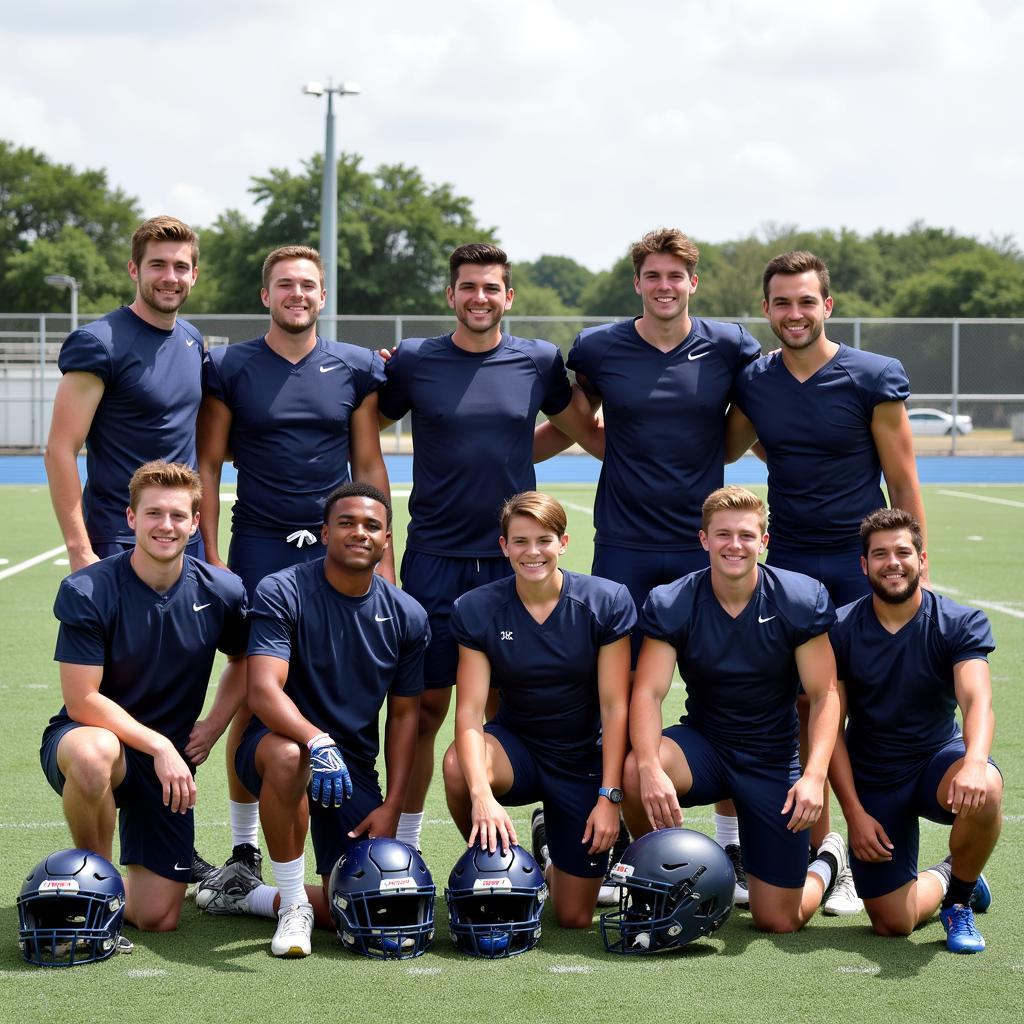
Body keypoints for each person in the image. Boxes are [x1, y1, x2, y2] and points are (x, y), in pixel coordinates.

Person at [534, 228, 763, 901]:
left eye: (676, 276)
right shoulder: (602, 348)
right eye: (653, 276)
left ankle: (732, 845)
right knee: (615, 692)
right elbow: (581, 420)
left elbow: (739, 428)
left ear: (694, 282)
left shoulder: (729, 345)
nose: (665, 286)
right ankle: (613, 837)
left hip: (703, 545)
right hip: (627, 545)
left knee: (728, 685)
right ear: (637, 282)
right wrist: (509, 454)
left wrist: (700, 458)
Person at [376, 242, 603, 854]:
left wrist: (513, 453)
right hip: (433, 559)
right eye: (468, 287)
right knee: (424, 708)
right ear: (451, 295)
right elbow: (360, 419)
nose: (480, 298)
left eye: (491, 288)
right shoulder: (415, 361)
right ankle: (406, 840)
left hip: (513, 564)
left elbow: (585, 429)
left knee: (504, 707)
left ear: (509, 296)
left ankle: (507, 834)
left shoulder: (537, 360)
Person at [725, 249, 929, 914]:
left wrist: (914, 565)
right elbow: (738, 445)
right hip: (786, 566)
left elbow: (901, 479)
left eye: (805, 301)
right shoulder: (755, 380)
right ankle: (821, 852)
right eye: (781, 302)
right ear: (766, 310)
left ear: (828, 306)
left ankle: (875, 854)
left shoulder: (872, 375)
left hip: (857, 564)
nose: (793, 313)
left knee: (861, 709)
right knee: (791, 708)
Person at [196, 244, 391, 879]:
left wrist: (385, 556)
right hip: (260, 538)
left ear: (323, 296)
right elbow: (207, 464)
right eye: (285, 285)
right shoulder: (231, 367)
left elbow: (367, 465)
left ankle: (358, 805)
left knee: (345, 671)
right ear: (266, 296)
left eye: (308, 285)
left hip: (337, 541)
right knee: (256, 684)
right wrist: (212, 553)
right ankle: (245, 848)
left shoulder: (356, 367)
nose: (297, 294)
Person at [195, 483, 427, 959]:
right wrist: (315, 738)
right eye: (346, 523)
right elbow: (262, 690)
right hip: (276, 745)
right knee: (289, 755)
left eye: (371, 526)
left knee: (370, 908)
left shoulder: (407, 614)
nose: (358, 533)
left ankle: (249, 896)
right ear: (324, 533)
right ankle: (293, 904)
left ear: (387, 540)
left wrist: (394, 806)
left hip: (353, 769)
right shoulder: (282, 590)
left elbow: (404, 718)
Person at [622, 486, 846, 934]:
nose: (734, 545)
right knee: (635, 770)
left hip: (771, 757)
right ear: (703, 539)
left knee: (778, 919)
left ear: (764, 541)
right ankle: (658, 884)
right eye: (723, 534)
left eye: (746, 535)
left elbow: (824, 695)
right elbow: (647, 692)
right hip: (705, 744)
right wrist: (648, 766)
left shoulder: (799, 599)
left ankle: (827, 863)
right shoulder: (674, 601)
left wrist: (814, 776)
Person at [39, 461, 248, 932]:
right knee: (96, 753)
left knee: (158, 918)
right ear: (131, 519)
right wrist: (159, 745)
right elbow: (82, 700)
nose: (166, 526)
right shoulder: (88, 589)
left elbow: (244, 661)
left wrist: (213, 726)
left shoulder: (222, 590)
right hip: (94, 741)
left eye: (178, 516)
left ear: (195, 523)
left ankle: (74, 892)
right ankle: (95, 892)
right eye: (154, 514)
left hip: (167, 769)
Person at [442, 492, 634, 928]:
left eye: (544, 540)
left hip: (581, 758)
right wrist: (481, 795)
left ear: (563, 542)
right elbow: (470, 712)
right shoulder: (477, 609)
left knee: (573, 916)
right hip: (518, 750)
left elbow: (614, 704)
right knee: (458, 765)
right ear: (504, 546)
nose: (533, 552)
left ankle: (547, 854)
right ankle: (493, 861)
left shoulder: (605, 602)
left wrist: (609, 796)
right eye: (521, 541)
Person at [828, 508, 1001, 953]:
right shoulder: (840, 628)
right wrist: (853, 814)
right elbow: (830, 726)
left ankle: (958, 900)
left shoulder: (958, 622)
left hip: (936, 762)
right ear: (863, 564)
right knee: (893, 923)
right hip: (875, 776)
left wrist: (976, 762)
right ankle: (952, 871)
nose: (893, 562)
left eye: (903, 552)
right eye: (880, 554)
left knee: (988, 788)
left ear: (922, 560)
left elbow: (976, 698)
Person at [45, 216, 204, 572]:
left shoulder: (193, 339)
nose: (170, 277)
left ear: (194, 275)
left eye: (181, 266)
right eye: (157, 265)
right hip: (121, 537)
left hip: (185, 537)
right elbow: (60, 449)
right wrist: (78, 549)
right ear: (134, 269)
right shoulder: (98, 344)